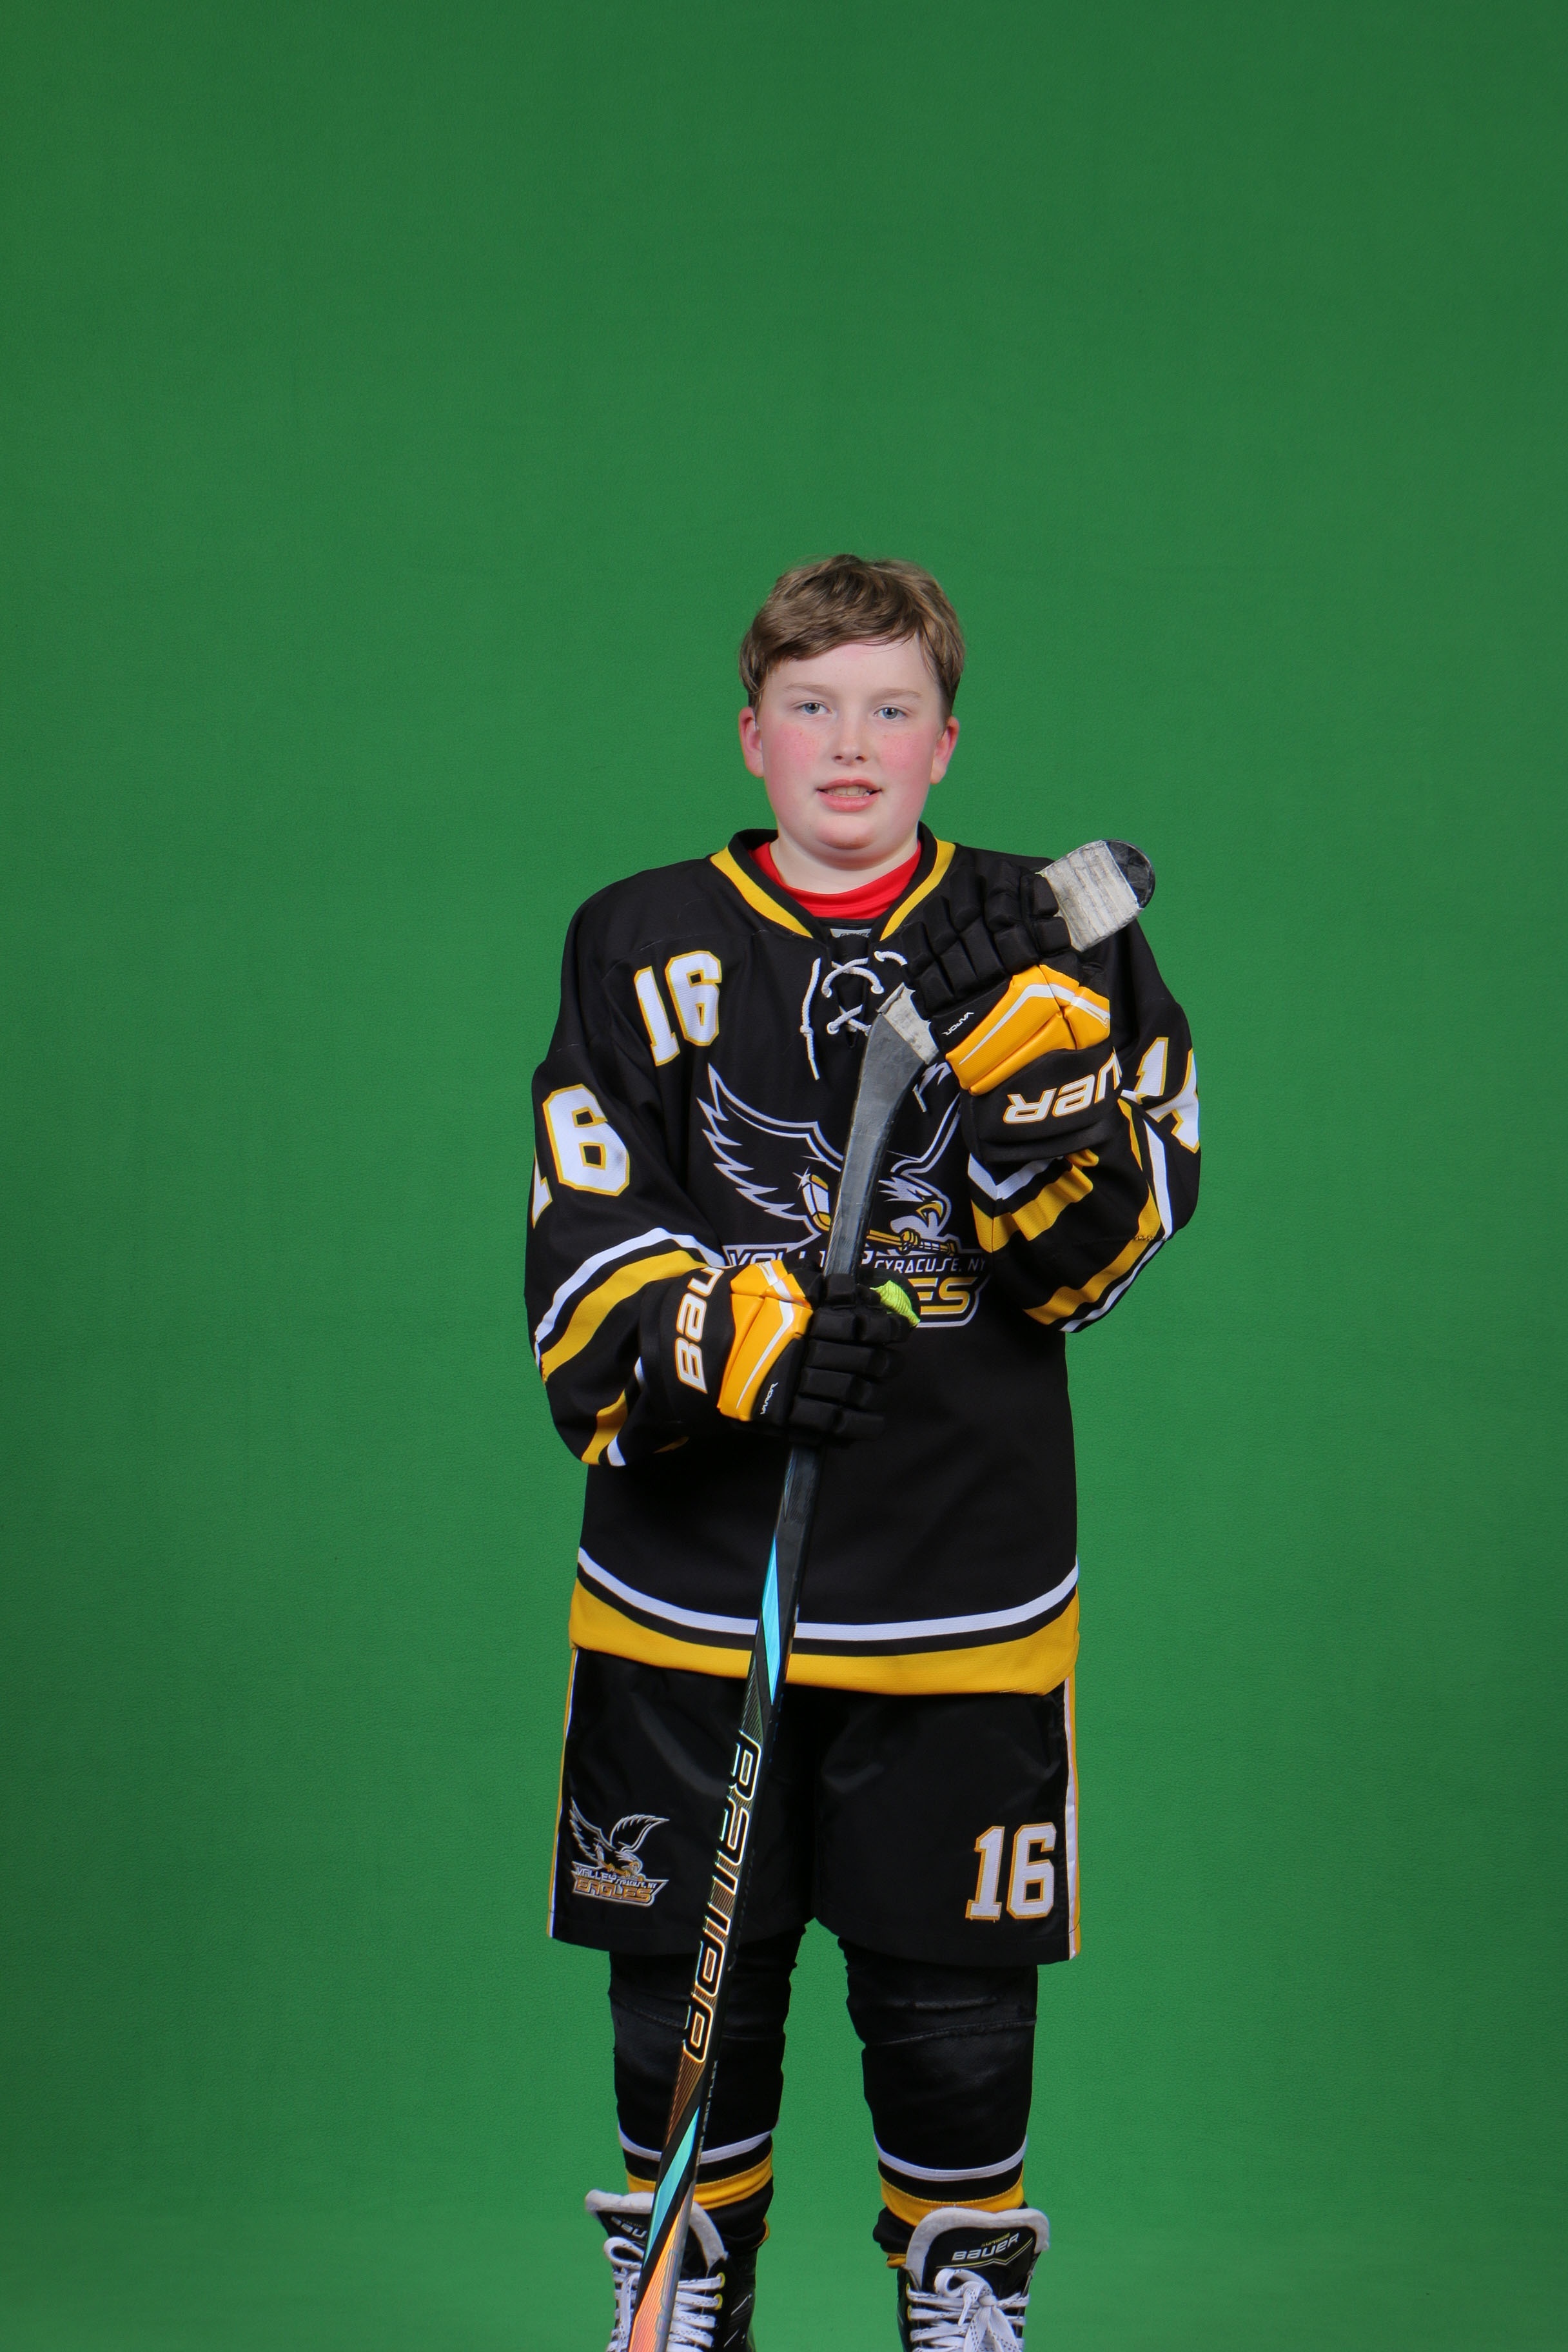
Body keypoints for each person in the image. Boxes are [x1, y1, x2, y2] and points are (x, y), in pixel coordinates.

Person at [526, 554, 1200, 2349]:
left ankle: (962, 2299)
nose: (851, 742)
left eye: (891, 708)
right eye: (812, 706)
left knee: (955, 2018)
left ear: (945, 742)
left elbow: (1102, 1261)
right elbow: (580, 1264)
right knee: (686, 2000)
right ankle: (681, 2287)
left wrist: (1032, 1107)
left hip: (963, 1591)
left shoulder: (1050, 934)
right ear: (750, 736)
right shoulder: (636, 937)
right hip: (690, 1602)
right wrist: (736, 1342)